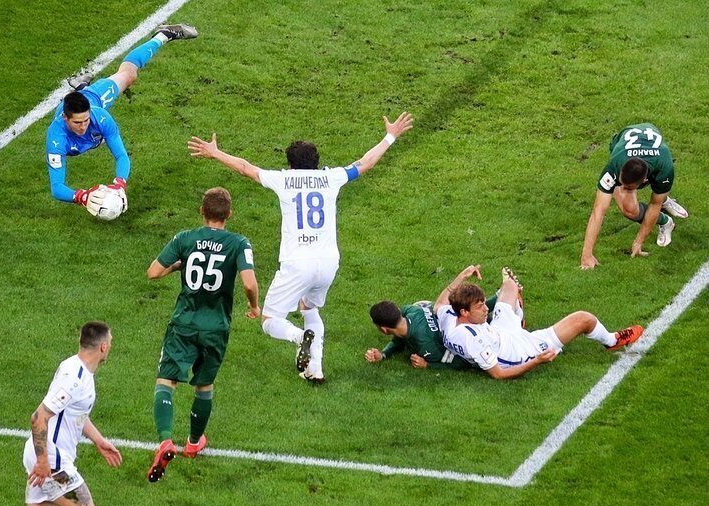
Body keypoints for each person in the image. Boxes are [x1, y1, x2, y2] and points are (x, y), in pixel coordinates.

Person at [187, 111, 415, 383]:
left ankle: (299, 337)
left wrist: (215, 153)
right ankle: (315, 371)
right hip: (328, 262)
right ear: (317, 162)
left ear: (290, 165)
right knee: (308, 307)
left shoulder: (284, 180)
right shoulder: (331, 178)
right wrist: (390, 136)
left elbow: (246, 168)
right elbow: (365, 163)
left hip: (297, 262)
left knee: (269, 320)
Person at [145, 187, 260, 483]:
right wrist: (254, 306)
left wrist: (180, 265)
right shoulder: (239, 243)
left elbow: (153, 272)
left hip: (184, 322)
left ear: (201, 212)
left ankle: (165, 440)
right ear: (229, 214)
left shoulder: (185, 238)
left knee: (166, 381)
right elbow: (249, 283)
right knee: (204, 385)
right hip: (216, 328)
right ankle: (194, 443)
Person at [45, 24, 198, 209]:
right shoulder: (56, 139)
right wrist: (82, 196)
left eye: (86, 120)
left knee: (129, 75)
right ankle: (81, 87)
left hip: (94, 98)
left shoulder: (100, 117)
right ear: (65, 118)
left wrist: (119, 185)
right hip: (83, 119)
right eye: (78, 123)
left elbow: (121, 155)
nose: (83, 126)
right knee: (94, 136)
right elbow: (57, 188)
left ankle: (164, 34)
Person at [434, 265, 644, 379]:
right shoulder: (474, 341)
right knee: (584, 319)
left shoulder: (450, 318)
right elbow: (499, 374)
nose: (485, 309)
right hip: (518, 350)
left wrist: (462, 276)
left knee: (509, 286)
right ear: (464, 312)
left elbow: (440, 304)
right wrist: (537, 361)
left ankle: (516, 315)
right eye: (480, 307)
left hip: (499, 332)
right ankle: (612, 340)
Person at [23, 321, 122, 506]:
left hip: (42, 455)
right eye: (110, 342)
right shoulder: (75, 379)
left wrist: (99, 440)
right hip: (53, 461)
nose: (110, 346)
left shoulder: (74, 367)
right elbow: (38, 418)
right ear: (103, 347)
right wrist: (43, 462)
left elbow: (75, 414)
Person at [580, 122, 689, 269]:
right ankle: (666, 221)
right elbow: (598, 210)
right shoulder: (615, 165)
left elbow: (654, 205)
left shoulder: (664, 166)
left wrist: (639, 241)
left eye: (628, 187)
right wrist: (586, 254)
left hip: (654, 149)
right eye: (621, 183)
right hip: (624, 139)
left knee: (658, 198)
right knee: (629, 209)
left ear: (644, 182)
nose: (622, 187)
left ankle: (664, 198)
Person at [366, 294, 512, 370]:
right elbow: (399, 337)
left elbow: (460, 363)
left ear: (384, 329)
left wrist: (428, 365)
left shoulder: (427, 347)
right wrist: (383, 354)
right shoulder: (409, 310)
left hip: (468, 329)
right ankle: (500, 297)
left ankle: (504, 305)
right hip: (447, 312)